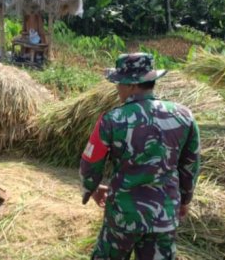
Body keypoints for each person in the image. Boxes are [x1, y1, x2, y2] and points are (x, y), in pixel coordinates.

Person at [80, 53, 200, 260]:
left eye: (120, 83)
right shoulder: (184, 116)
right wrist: (185, 199)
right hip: (164, 215)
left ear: (132, 85)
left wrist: (91, 189)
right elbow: (190, 165)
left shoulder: (112, 120)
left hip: (123, 216)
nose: (117, 88)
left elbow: (91, 162)